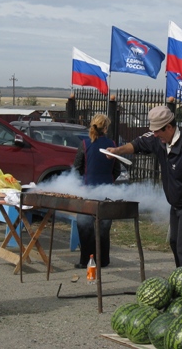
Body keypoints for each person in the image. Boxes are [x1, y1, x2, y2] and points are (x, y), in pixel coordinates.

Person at [106, 106, 182, 267]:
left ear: (169, 127)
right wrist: (118, 150)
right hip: (176, 205)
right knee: (175, 242)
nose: (155, 135)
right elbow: (138, 144)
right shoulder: (158, 138)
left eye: (158, 131)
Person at [72, 114, 121, 268]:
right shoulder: (112, 144)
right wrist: (108, 181)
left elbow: (77, 167)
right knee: (103, 228)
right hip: (107, 192)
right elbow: (117, 170)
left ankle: (86, 260)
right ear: (105, 128)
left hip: (87, 191)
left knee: (84, 226)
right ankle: (103, 260)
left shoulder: (85, 144)